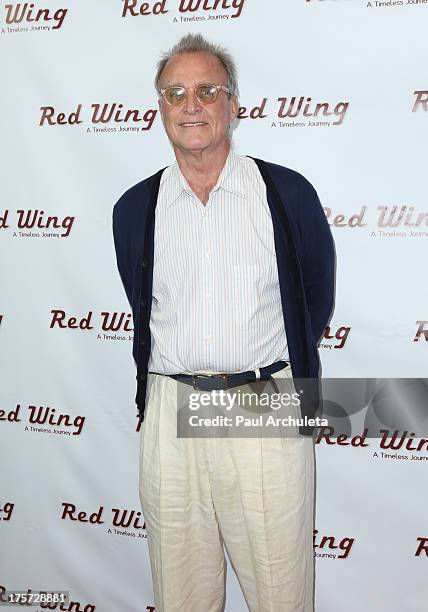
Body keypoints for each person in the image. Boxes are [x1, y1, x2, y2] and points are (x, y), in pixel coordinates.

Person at [112, 33, 335, 612]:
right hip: (170, 409)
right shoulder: (134, 208)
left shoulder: (284, 193)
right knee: (181, 591)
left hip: (262, 401)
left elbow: (315, 298)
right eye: (176, 92)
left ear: (234, 105)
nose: (192, 103)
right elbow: (143, 305)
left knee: (280, 588)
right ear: (160, 107)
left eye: (208, 90)